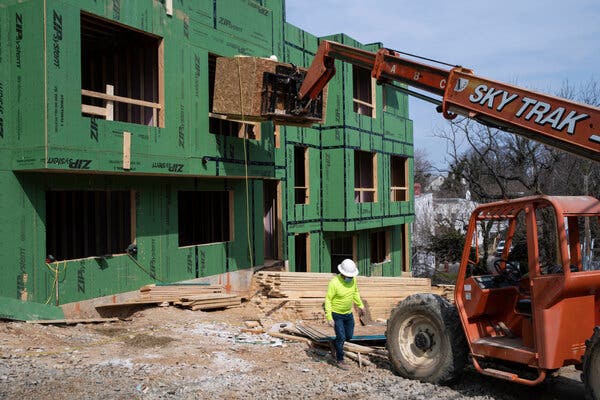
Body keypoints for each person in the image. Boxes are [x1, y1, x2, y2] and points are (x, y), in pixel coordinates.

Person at [324, 259, 365, 370]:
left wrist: (360, 305)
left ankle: (334, 343)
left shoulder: (353, 281)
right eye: (348, 276)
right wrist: (329, 317)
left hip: (348, 314)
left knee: (349, 336)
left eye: (351, 276)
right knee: (341, 337)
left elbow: (355, 292)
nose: (350, 278)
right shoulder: (334, 283)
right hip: (337, 315)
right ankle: (340, 360)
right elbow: (328, 300)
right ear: (342, 273)